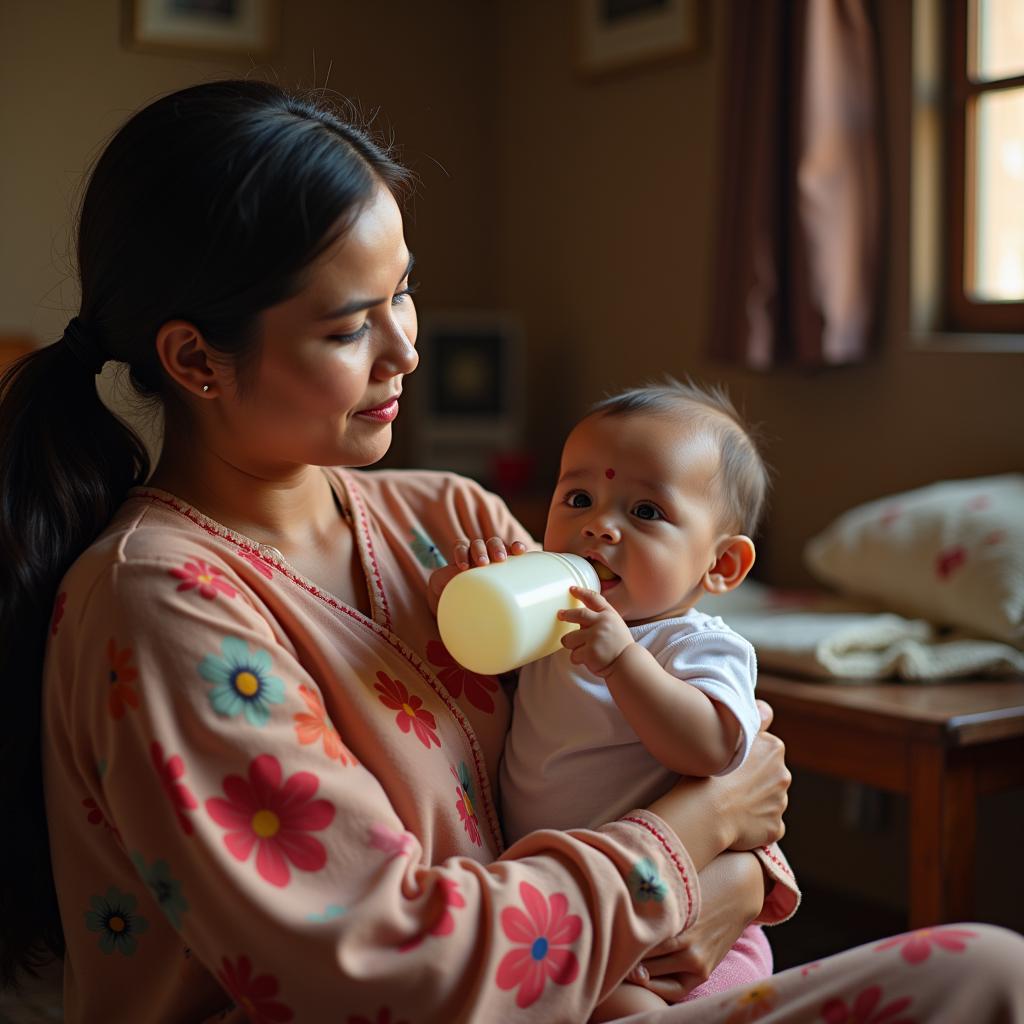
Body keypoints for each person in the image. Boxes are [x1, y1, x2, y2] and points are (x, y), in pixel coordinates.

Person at [0, 80, 1022, 1023]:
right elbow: (391, 969)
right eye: (352, 325)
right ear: (194, 358)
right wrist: (695, 846)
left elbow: (714, 765)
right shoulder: (161, 604)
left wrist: (741, 873)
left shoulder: (449, 518)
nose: (405, 347)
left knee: (987, 971)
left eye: (402, 294)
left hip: (587, 988)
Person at [493, 379, 796, 1019]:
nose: (598, 527)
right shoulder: (555, 621)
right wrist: (461, 586)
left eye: (646, 513)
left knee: (618, 1008)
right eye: (578, 499)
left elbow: (715, 749)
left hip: (682, 914)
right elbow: (470, 653)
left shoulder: (697, 645)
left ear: (721, 567)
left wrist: (624, 661)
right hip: (579, 905)